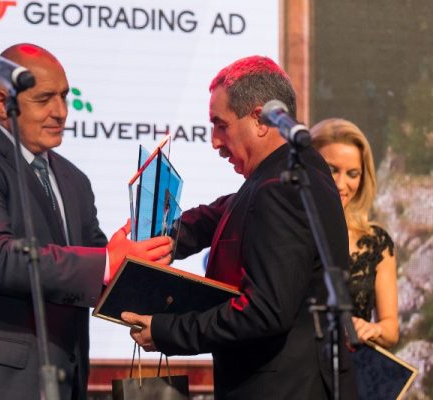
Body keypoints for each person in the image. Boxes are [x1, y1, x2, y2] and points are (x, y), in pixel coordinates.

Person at [0, 43, 172, 400]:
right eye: (44, 99)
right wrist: (107, 261)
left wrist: (143, 271)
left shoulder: (73, 179)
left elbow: (97, 272)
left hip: (59, 381)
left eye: (64, 97)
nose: (61, 112)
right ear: (2, 103)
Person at [121, 56, 358, 399]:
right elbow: (224, 212)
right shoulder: (291, 173)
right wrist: (166, 238)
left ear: (260, 119)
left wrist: (168, 331)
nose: (215, 142)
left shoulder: (280, 188)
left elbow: (264, 311)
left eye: (221, 125)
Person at [311, 118, 399, 349]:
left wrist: (373, 329)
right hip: (294, 367)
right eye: (332, 170)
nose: (341, 184)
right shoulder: (284, 230)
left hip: (350, 366)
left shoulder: (376, 242)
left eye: (352, 173)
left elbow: (391, 330)